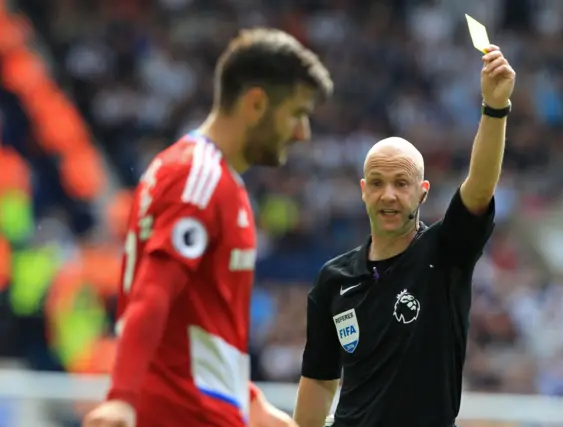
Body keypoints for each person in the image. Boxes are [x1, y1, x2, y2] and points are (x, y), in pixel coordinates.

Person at [82, 27, 333, 427]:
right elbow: (153, 292)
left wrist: (252, 405)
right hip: (180, 413)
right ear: (255, 103)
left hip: (208, 411)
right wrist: (122, 399)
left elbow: (200, 322)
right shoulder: (197, 179)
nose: (302, 132)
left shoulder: (220, 184)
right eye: (296, 113)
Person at [293, 44, 515, 427]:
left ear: (423, 192)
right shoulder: (335, 279)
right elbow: (318, 380)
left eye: (401, 183)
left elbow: (478, 188)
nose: (389, 195)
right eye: (377, 183)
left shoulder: (446, 254)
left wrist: (495, 108)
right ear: (363, 190)